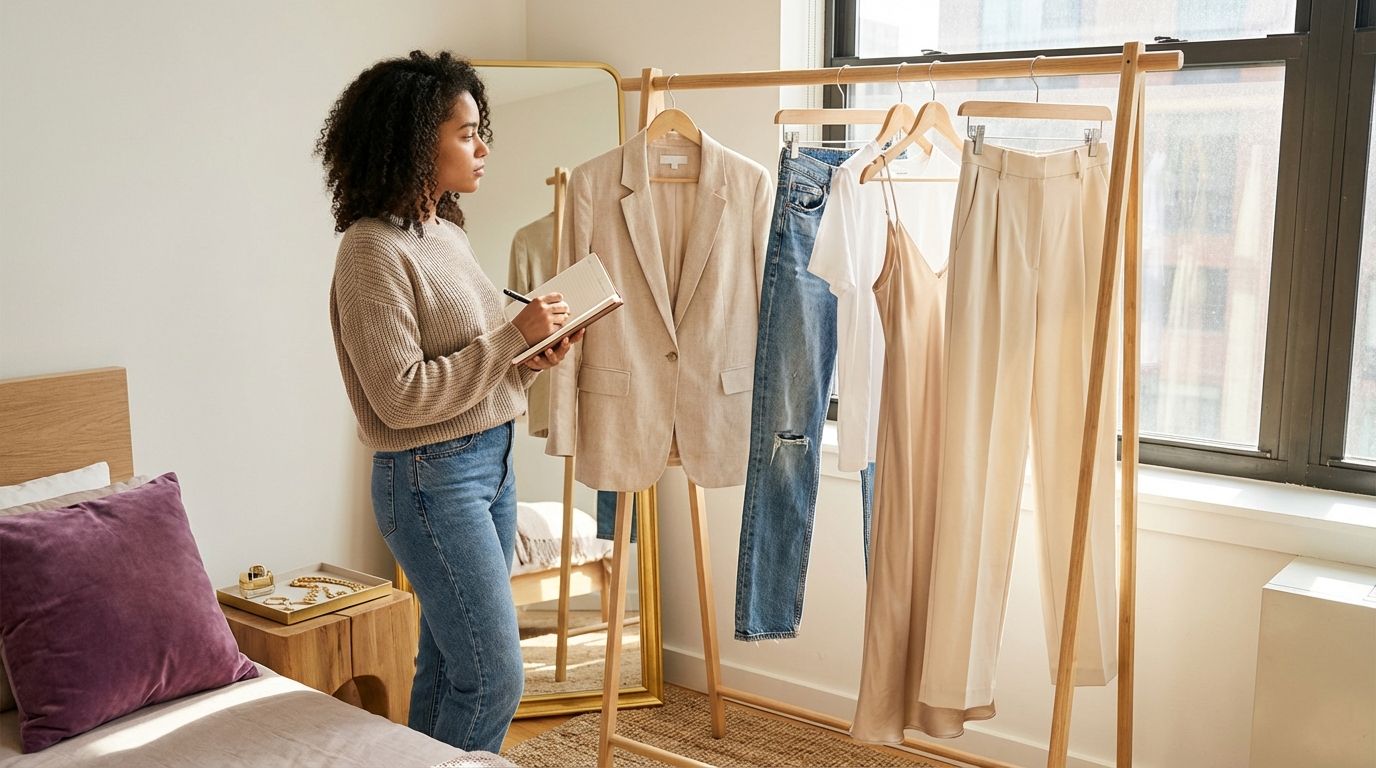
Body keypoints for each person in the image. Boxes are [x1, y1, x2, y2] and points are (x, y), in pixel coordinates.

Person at [317, 50, 581, 753]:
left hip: (487, 466)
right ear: (414, 142)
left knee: (446, 669)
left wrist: (531, 360)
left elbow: (478, 370)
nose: (482, 146)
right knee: (494, 677)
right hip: (430, 478)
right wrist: (508, 343)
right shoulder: (370, 250)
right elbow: (400, 398)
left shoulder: (448, 236)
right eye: (466, 133)